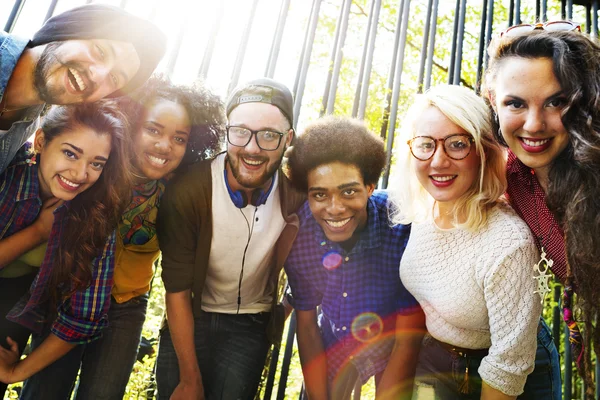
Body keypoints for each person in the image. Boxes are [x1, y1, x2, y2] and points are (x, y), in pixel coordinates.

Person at [18, 76, 226, 399]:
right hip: (70, 294)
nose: (164, 145)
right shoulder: (97, 167)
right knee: (44, 391)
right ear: (132, 125)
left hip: (126, 309)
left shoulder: (180, 193)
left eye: (179, 138)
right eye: (153, 130)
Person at [155, 78, 305, 400]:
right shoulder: (190, 189)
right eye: (240, 131)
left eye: (269, 135)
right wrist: (190, 378)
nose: (252, 147)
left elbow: (314, 267)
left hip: (250, 326)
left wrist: (282, 312)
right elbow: (177, 288)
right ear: (227, 130)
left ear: (288, 139)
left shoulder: (296, 196)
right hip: (189, 317)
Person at [393, 85, 542, 399]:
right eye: (425, 144)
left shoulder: (508, 241)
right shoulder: (423, 211)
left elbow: (508, 364)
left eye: (457, 144)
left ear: (482, 151)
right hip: (433, 359)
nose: (438, 161)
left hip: (495, 372)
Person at [482, 24, 600, 399]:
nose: (534, 124)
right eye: (515, 103)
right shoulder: (508, 172)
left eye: (556, 102)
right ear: (492, 101)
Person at [284, 116, 425, 400]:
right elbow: (308, 327)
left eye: (349, 191)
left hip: (395, 336)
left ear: (370, 186)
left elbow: (407, 338)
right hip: (334, 336)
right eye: (320, 195)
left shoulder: (401, 223)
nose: (334, 208)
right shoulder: (301, 232)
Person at [0, 101, 131, 397]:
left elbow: (83, 316)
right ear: (42, 141)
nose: (81, 173)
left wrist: (15, 372)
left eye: (97, 163)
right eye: (71, 153)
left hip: (10, 315)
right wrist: (38, 232)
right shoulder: (9, 176)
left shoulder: (94, 213)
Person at [0, 3, 167, 174]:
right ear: (66, 31)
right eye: (101, 52)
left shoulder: (27, 125)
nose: (98, 76)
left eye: (114, 78)